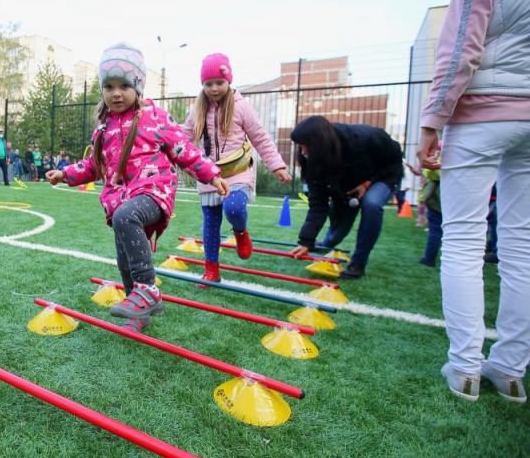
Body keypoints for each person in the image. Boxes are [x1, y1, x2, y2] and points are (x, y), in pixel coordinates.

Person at [417, 0, 530, 403]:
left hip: (483, 115)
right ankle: (510, 369)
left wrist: (431, 123)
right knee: (520, 243)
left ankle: (465, 366)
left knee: (463, 239)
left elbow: (458, 53)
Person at [46, 42, 229, 333]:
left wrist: (211, 174)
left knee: (124, 217)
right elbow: (94, 166)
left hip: (154, 193)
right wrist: (65, 174)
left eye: (123, 85)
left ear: (138, 86)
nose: (116, 93)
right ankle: (138, 309)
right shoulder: (103, 129)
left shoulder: (154, 117)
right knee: (124, 255)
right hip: (121, 198)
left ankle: (148, 291)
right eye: (108, 86)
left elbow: (185, 150)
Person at [182, 53, 291, 286]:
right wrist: (169, 153)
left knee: (234, 207)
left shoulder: (242, 107)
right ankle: (211, 269)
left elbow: (260, 137)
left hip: (238, 170)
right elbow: (182, 138)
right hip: (210, 174)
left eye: (219, 83)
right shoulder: (198, 109)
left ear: (229, 81)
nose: (214, 88)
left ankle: (241, 232)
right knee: (210, 222)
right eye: (208, 84)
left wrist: (277, 165)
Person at [290, 115, 403, 279]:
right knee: (337, 232)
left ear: (321, 142)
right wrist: (306, 241)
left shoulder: (367, 138)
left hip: (383, 177)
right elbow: (318, 205)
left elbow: (394, 161)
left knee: (371, 204)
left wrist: (368, 183)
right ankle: (328, 242)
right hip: (347, 188)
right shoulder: (311, 159)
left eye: (307, 146)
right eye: (301, 147)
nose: (304, 152)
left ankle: (359, 262)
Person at [418, 162, 442, 267]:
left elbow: (426, 193)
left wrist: (422, 204)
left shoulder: (435, 178)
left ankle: (429, 258)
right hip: (455, 208)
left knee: (435, 232)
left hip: (436, 207)